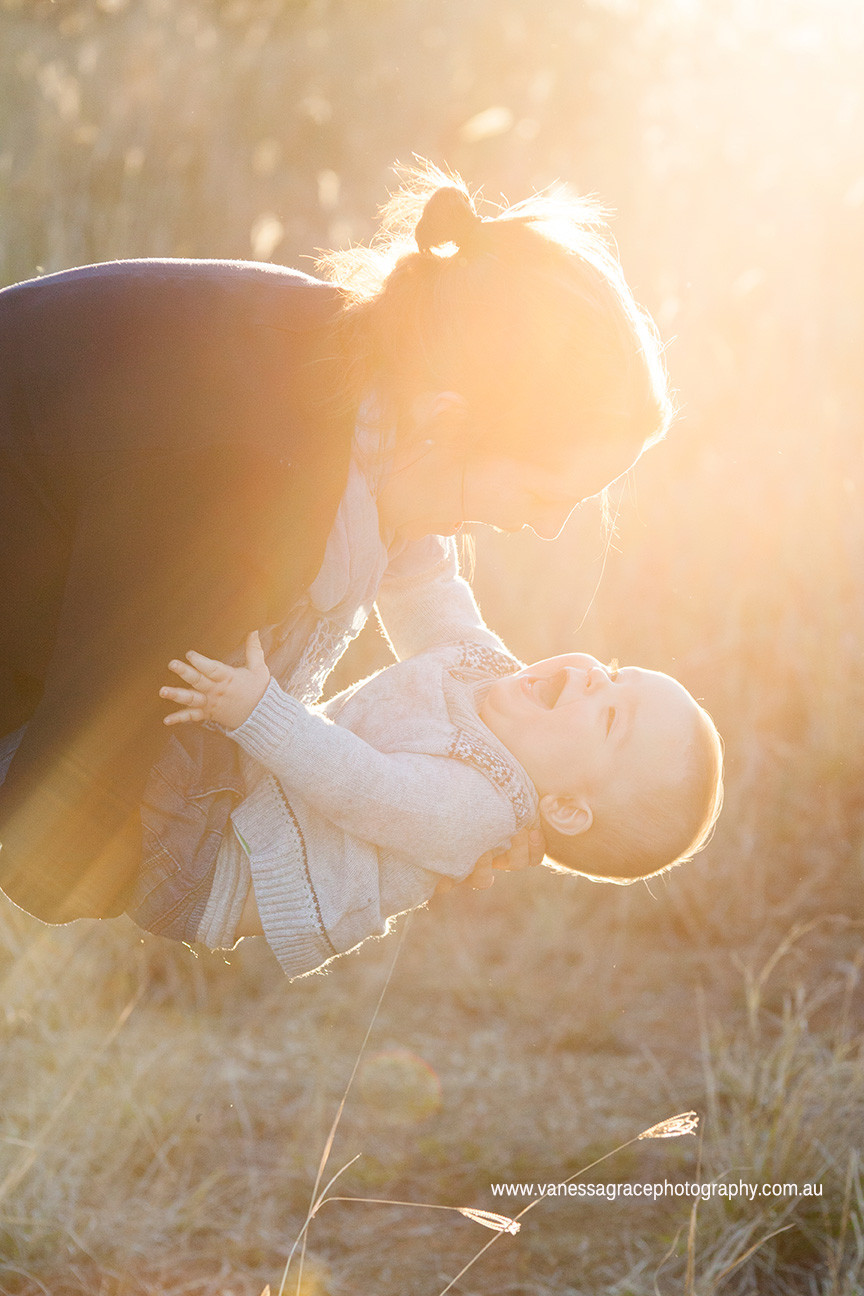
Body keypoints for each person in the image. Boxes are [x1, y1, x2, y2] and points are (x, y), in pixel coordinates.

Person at [0, 165, 672, 925]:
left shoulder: (337, 366)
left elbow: (434, 605)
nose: (547, 528)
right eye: (546, 496)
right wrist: (343, 866)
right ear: (448, 421)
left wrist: (479, 790)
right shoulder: (248, 497)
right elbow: (51, 856)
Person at [142, 612, 723, 979]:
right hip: (229, 799)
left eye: (611, 718)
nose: (597, 678)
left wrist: (258, 712)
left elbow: (361, 786)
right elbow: (428, 593)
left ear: (566, 807)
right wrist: (413, 523)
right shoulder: (488, 671)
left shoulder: (477, 809)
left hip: (208, 868)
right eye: (618, 672)